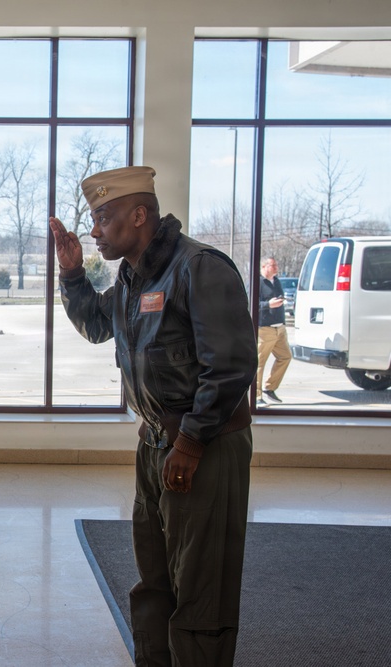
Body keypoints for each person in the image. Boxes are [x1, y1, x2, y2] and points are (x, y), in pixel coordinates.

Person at [49, 166, 257, 667]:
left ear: (139, 215)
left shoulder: (200, 268)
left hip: (202, 447)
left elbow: (230, 367)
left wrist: (190, 443)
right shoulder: (132, 276)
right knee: (154, 582)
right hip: (156, 446)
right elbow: (98, 327)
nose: (94, 230)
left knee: (201, 588)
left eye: (103, 217)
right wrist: (74, 276)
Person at [256, 257, 291, 405]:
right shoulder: (257, 282)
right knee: (259, 363)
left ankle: (269, 388)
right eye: (273, 265)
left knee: (285, 357)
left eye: (277, 264)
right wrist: (268, 304)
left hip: (280, 328)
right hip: (265, 329)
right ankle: (256, 396)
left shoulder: (276, 281)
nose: (276, 267)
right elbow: (251, 303)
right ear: (264, 267)